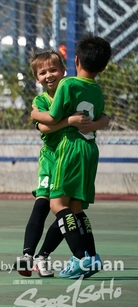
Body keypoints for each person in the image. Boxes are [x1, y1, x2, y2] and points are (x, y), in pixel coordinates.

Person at [17, 51, 109, 278]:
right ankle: (27, 257)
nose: (49, 75)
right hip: (51, 158)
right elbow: (45, 128)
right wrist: (67, 121)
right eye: (42, 72)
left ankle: (43, 256)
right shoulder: (40, 101)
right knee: (43, 203)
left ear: (64, 70)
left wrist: (91, 122)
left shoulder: (71, 89)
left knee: (64, 209)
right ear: (37, 78)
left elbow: (103, 117)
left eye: (53, 70)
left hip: (69, 156)